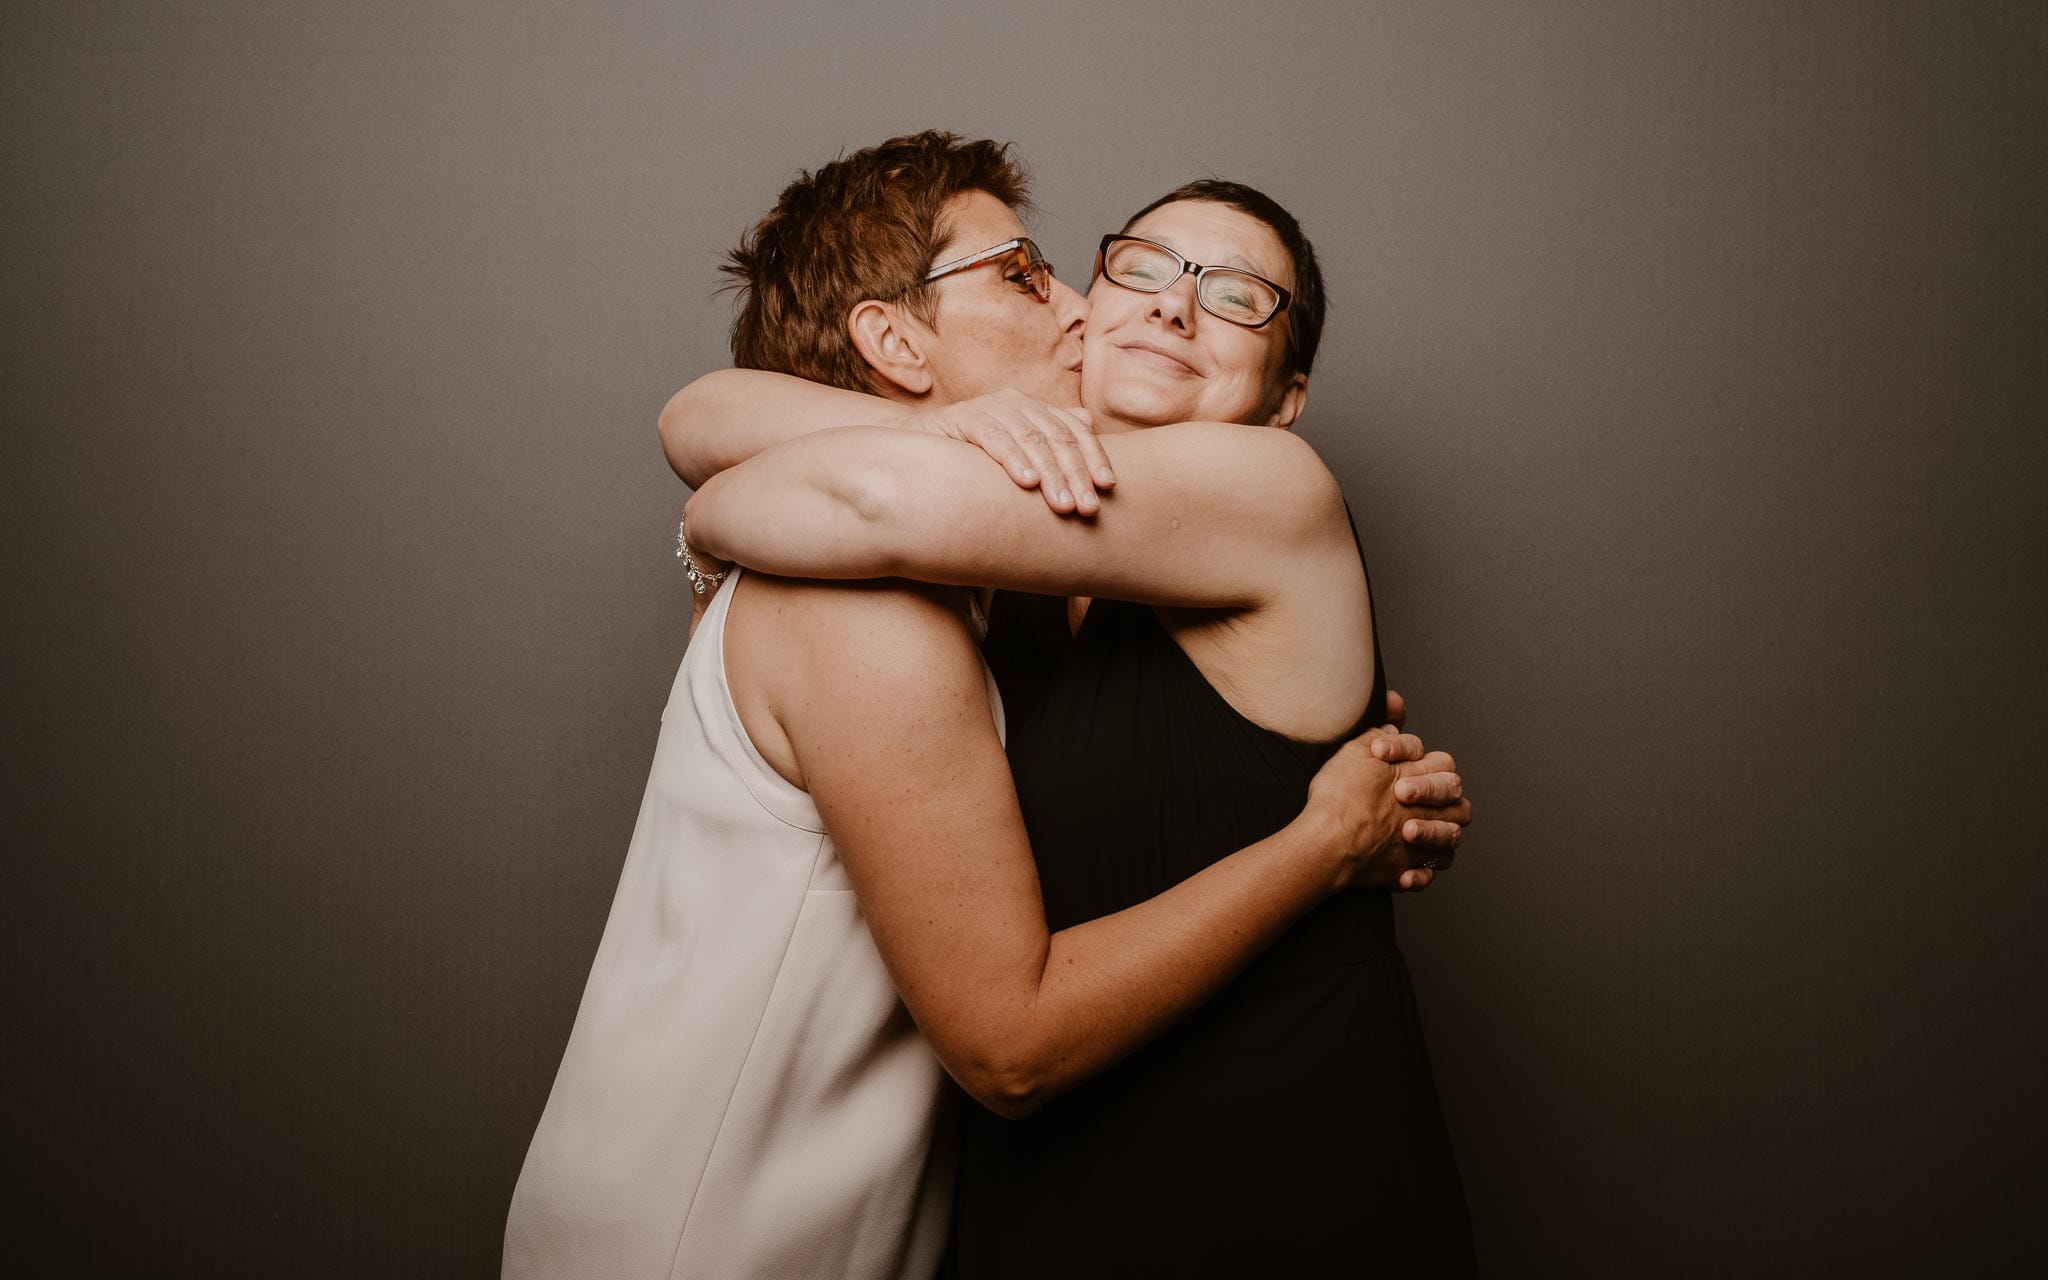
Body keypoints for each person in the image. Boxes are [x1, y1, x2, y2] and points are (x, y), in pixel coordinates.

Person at [503, 133, 1469, 1279]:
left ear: (1286, 395)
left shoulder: (1269, 493)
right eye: (1137, 268)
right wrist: (1314, 842)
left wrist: (714, 515)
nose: (1159, 308)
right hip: (994, 1204)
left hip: (1280, 1183)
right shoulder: (993, 582)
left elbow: (774, 458)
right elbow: (704, 419)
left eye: (1239, 298)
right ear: (893, 341)